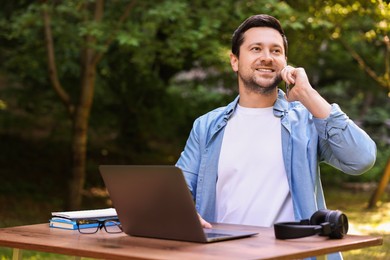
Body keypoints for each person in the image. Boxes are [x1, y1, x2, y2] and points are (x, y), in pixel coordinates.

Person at [175, 14, 376, 259]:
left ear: (285, 62)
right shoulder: (207, 126)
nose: (267, 57)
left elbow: (362, 159)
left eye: (276, 50)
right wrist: (183, 213)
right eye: (256, 48)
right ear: (235, 61)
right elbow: (180, 186)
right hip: (222, 254)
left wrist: (308, 94)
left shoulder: (307, 119)